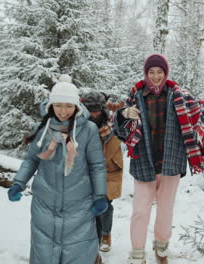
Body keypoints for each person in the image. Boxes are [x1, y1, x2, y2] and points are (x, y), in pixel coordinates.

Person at [113, 54, 204, 264]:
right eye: (152, 72)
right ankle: (138, 254)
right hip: (143, 162)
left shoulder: (179, 95)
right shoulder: (136, 95)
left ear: (165, 73)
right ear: (146, 73)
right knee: (140, 211)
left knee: (165, 210)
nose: (156, 76)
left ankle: (161, 248)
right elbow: (123, 133)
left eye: (160, 72)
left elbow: (202, 113)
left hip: (171, 162)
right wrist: (122, 115)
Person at [7, 74, 108, 264]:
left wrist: (100, 195)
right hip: (44, 204)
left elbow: (97, 166)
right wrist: (18, 183)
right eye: (58, 105)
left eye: (69, 106)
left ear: (77, 106)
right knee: (44, 252)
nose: (63, 111)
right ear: (51, 105)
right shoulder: (43, 128)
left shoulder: (88, 130)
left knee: (77, 252)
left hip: (79, 205)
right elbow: (31, 160)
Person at [81, 91, 124, 263]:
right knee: (88, 208)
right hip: (87, 169)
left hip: (110, 168)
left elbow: (126, 111)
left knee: (105, 204)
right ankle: (91, 242)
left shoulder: (112, 122)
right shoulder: (80, 123)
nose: (94, 114)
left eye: (98, 110)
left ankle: (106, 234)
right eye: (91, 110)